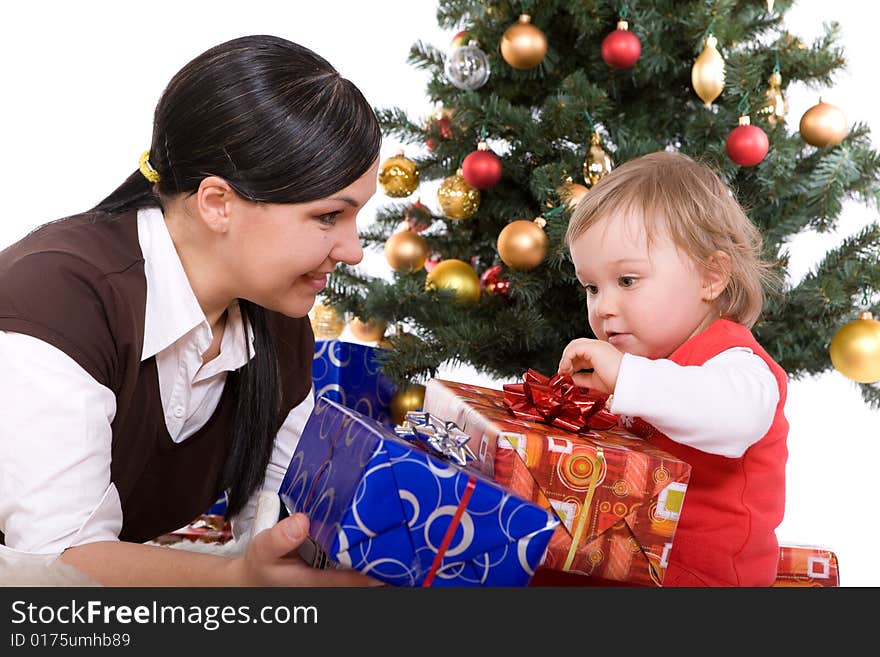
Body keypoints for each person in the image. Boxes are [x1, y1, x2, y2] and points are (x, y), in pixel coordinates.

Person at [0, 35, 383, 586]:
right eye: (328, 217)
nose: (353, 250)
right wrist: (243, 583)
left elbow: (283, 516)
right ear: (217, 203)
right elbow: (50, 568)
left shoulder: (275, 315)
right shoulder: (58, 300)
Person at [557, 151, 788, 587]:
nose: (603, 307)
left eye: (627, 280)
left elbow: (732, 419)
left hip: (701, 579)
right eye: (591, 287)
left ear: (710, 277)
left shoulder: (737, 363)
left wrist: (624, 376)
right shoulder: (645, 363)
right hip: (630, 563)